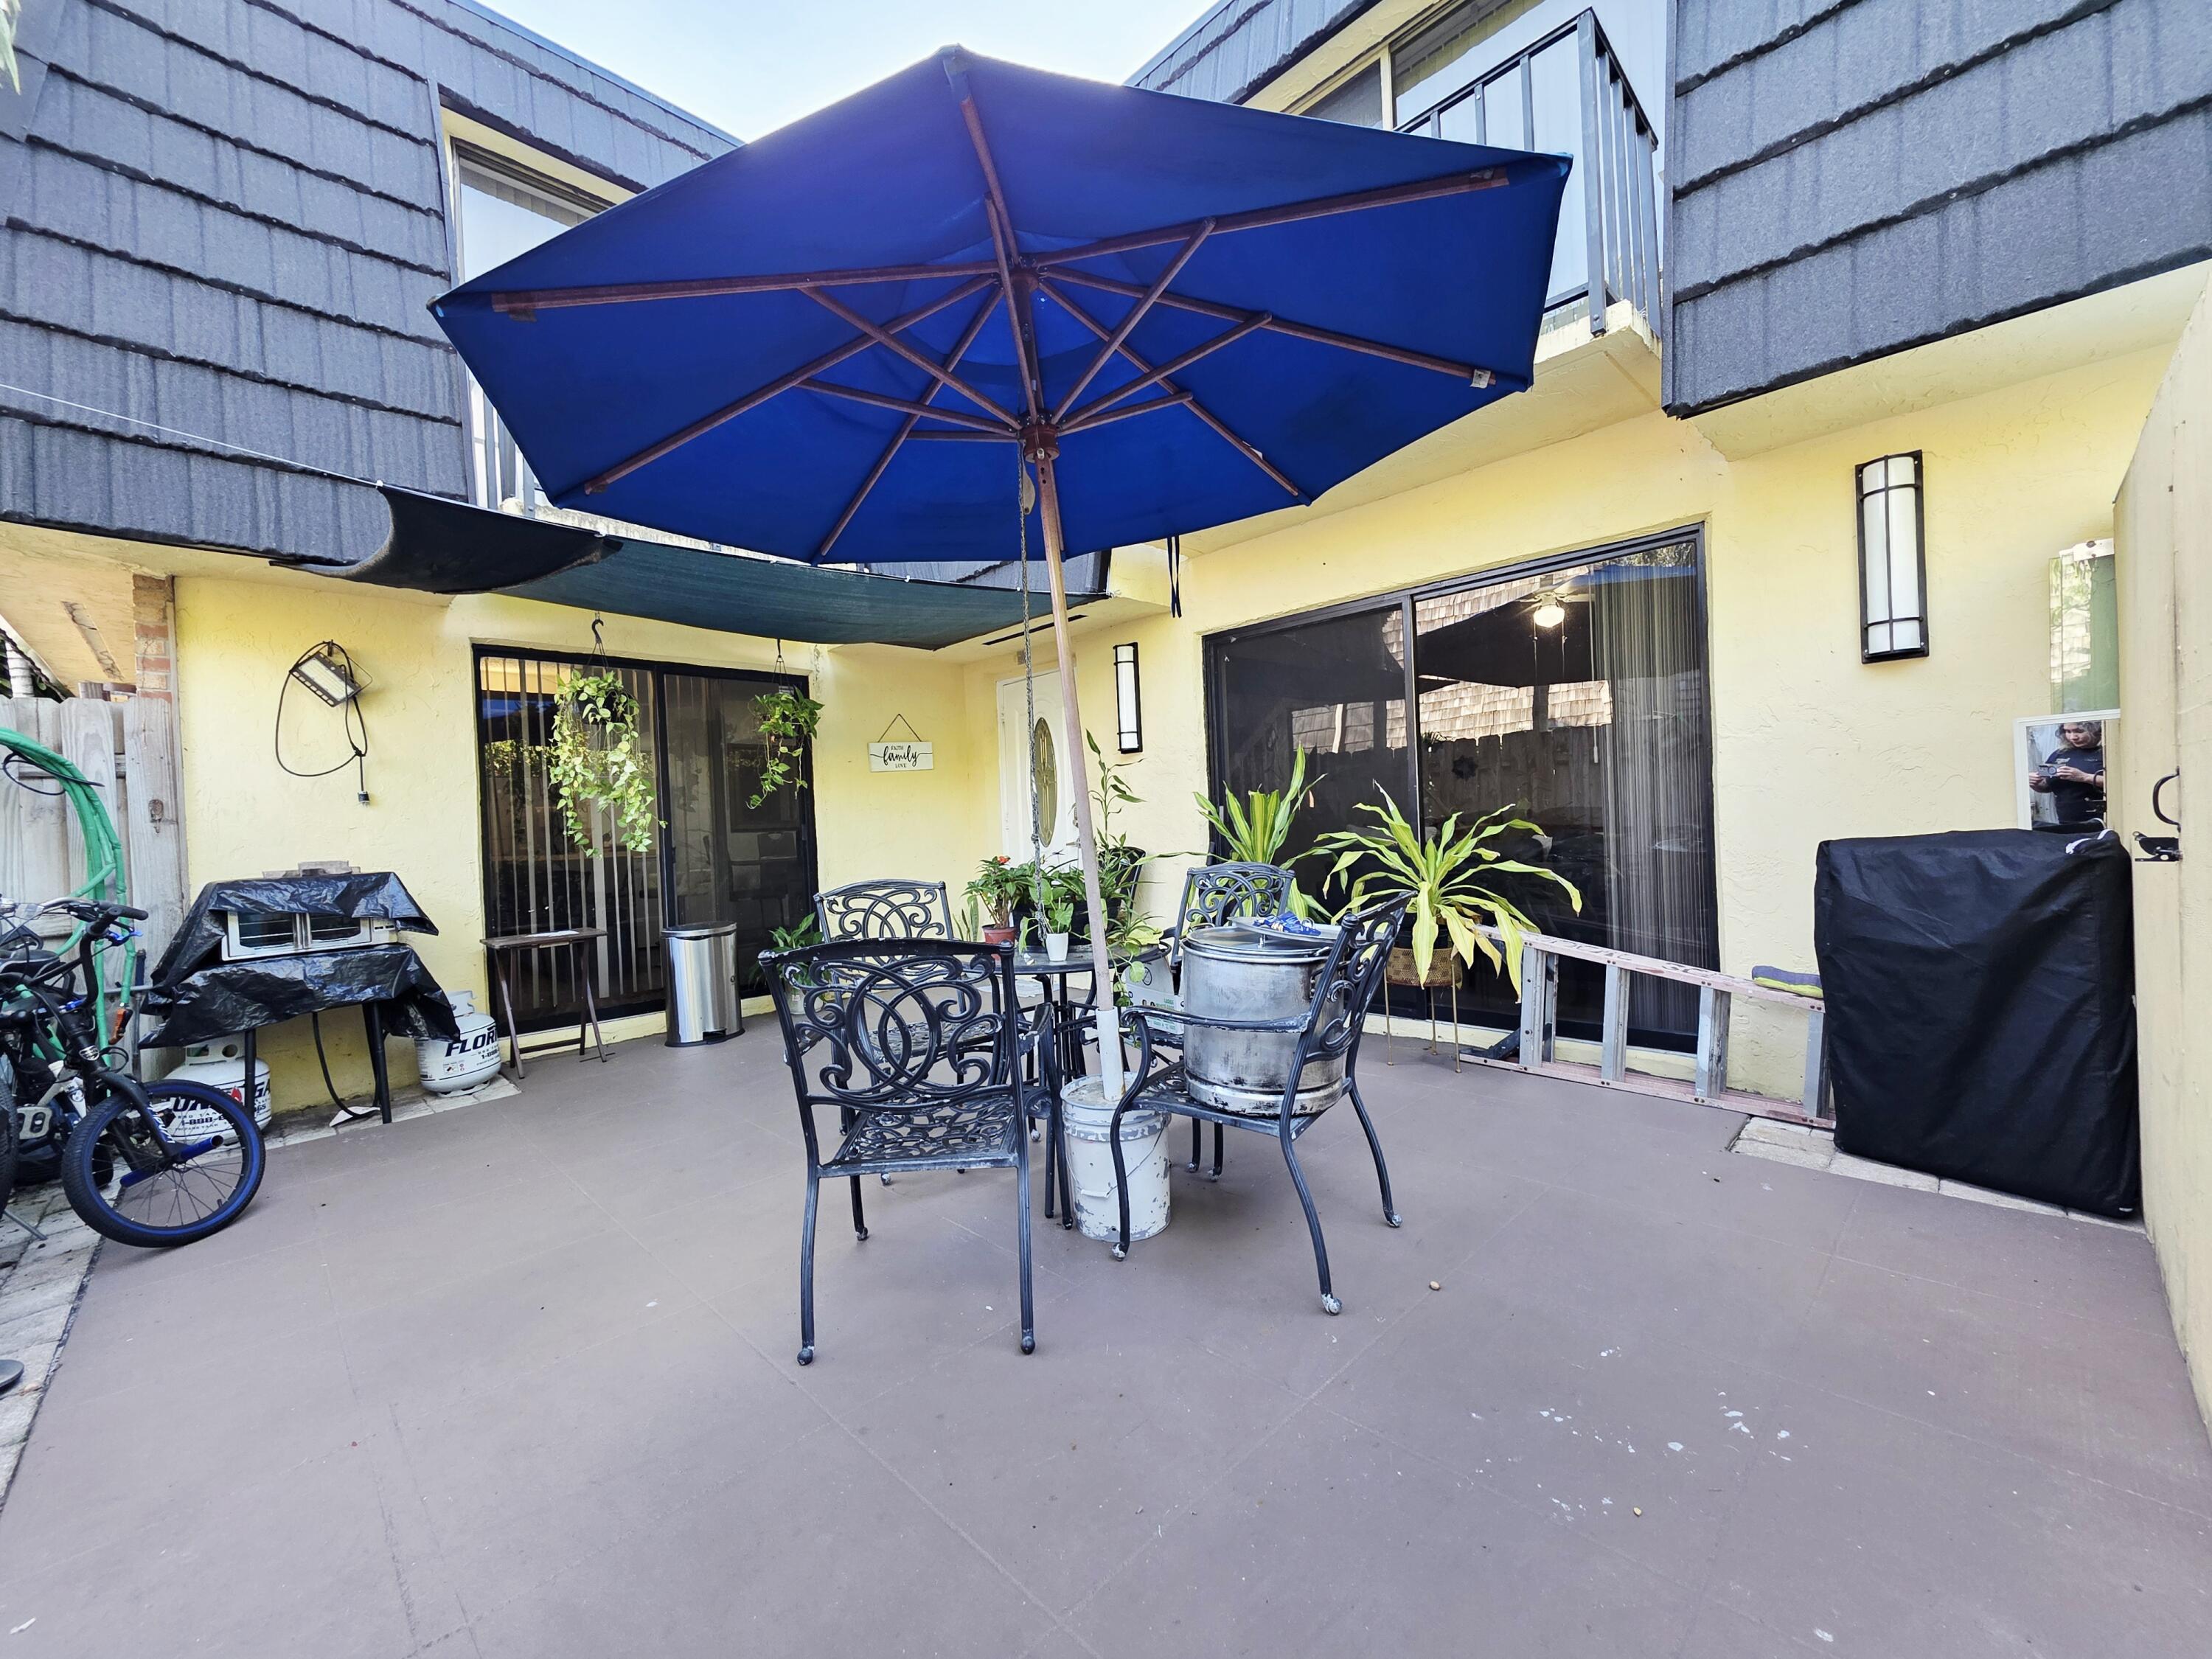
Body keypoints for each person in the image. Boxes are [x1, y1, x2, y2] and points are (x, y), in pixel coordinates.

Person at [2029, 718, 2106, 829]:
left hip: (2099, 820)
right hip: (2066, 821)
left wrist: (2084, 777)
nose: (2072, 737)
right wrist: (2035, 783)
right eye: (2068, 732)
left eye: (2079, 731)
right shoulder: (2060, 753)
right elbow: (2046, 786)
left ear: (2096, 730)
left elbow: (2118, 784)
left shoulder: (2104, 752)